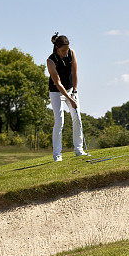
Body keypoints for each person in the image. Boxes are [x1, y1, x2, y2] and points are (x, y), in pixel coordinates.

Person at [47, 32, 88, 162]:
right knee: (59, 121)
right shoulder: (51, 60)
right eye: (63, 50)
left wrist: (74, 91)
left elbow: (74, 72)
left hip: (71, 89)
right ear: (57, 48)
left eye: (67, 49)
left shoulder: (71, 53)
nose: (66, 52)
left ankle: (79, 150)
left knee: (77, 117)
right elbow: (57, 83)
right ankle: (57, 155)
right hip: (56, 92)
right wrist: (69, 99)